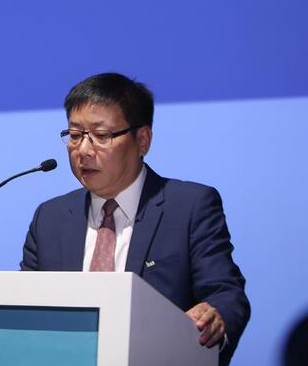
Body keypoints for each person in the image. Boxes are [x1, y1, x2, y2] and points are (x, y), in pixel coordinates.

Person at [21, 72, 250, 365]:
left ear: (142, 140)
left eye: (101, 136)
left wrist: (215, 316)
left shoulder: (190, 207)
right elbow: (26, 310)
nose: (84, 151)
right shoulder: (49, 218)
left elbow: (225, 294)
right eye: (75, 136)